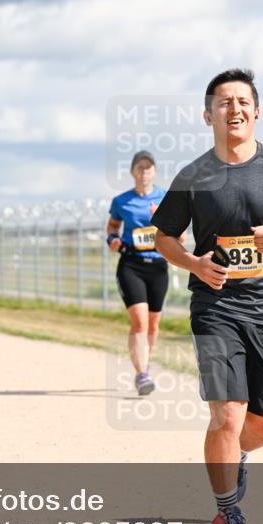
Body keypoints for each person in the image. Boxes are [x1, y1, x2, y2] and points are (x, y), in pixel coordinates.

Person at [152, 68, 263, 524]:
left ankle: (238, 456)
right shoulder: (193, 176)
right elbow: (164, 237)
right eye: (224, 103)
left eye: (242, 101)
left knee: (261, 424)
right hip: (215, 308)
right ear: (209, 116)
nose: (235, 109)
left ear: (257, 110)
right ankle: (227, 513)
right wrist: (193, 263)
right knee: (226, 415)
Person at [106, 151, 184, 396]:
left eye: (149, 168)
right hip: (131, 264)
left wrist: (159, 219)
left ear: (155, 172)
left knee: (153, 324)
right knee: (139, 321)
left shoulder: (164, 198)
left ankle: (145, 367)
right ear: (132, 172)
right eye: (140, 168)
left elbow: (180, 236)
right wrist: (112, 239)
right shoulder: (121, 201)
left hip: (159, 265)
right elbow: (113, 225)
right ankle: (141, 375)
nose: (144, 172)